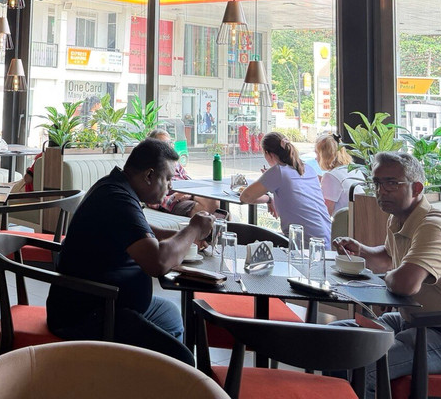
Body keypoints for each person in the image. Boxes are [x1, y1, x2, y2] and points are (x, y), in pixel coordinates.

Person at [331, 151, 441, 398]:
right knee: (334, 338)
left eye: (392, 183)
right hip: (413, 323)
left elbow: (406, 283)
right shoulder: (398, 219)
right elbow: (387, 257)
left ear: (417, 188)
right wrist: (361, 251)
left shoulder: (432, 226)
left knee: (366, 365)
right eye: (377, 183)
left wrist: (388, 277)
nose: (381, 191)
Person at [47, 138, 214, 364]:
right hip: (91, 314)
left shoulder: (117, 187)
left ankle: (142, 374)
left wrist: (183, 238)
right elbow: (158, 263)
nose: (170, 187)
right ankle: (147, 373)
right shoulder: (116, 198)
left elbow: (141, 230)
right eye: (167, 179)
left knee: (171, 316)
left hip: (114, 303)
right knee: (182, 360)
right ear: (149, 175)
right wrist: (193, 230)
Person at [239, 131, 331, 246]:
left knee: (249, 238)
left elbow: (245, 197)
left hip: (304, 244)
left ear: (268, 154)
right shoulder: (308, 168)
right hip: (326, 240)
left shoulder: (279, 171)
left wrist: (269, 199)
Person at [145, 129, 219, 217]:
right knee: (212, 204)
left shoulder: (174, 163)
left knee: (218, 203)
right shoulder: (150, 168)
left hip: (188, 194)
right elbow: (151, 199)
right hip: (173, 202)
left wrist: (190, 193)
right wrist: (174, 197)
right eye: (163, 144)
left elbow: (189, 181)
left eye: (169, 143)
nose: (168, 146)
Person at [314, 132, 364, 215]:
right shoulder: (354, 168)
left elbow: (326, 213)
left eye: (317, 153)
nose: (316, 158)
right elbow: (339, 183)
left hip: (343, 222)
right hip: (358, 219)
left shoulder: (330, 176)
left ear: (324, 155)